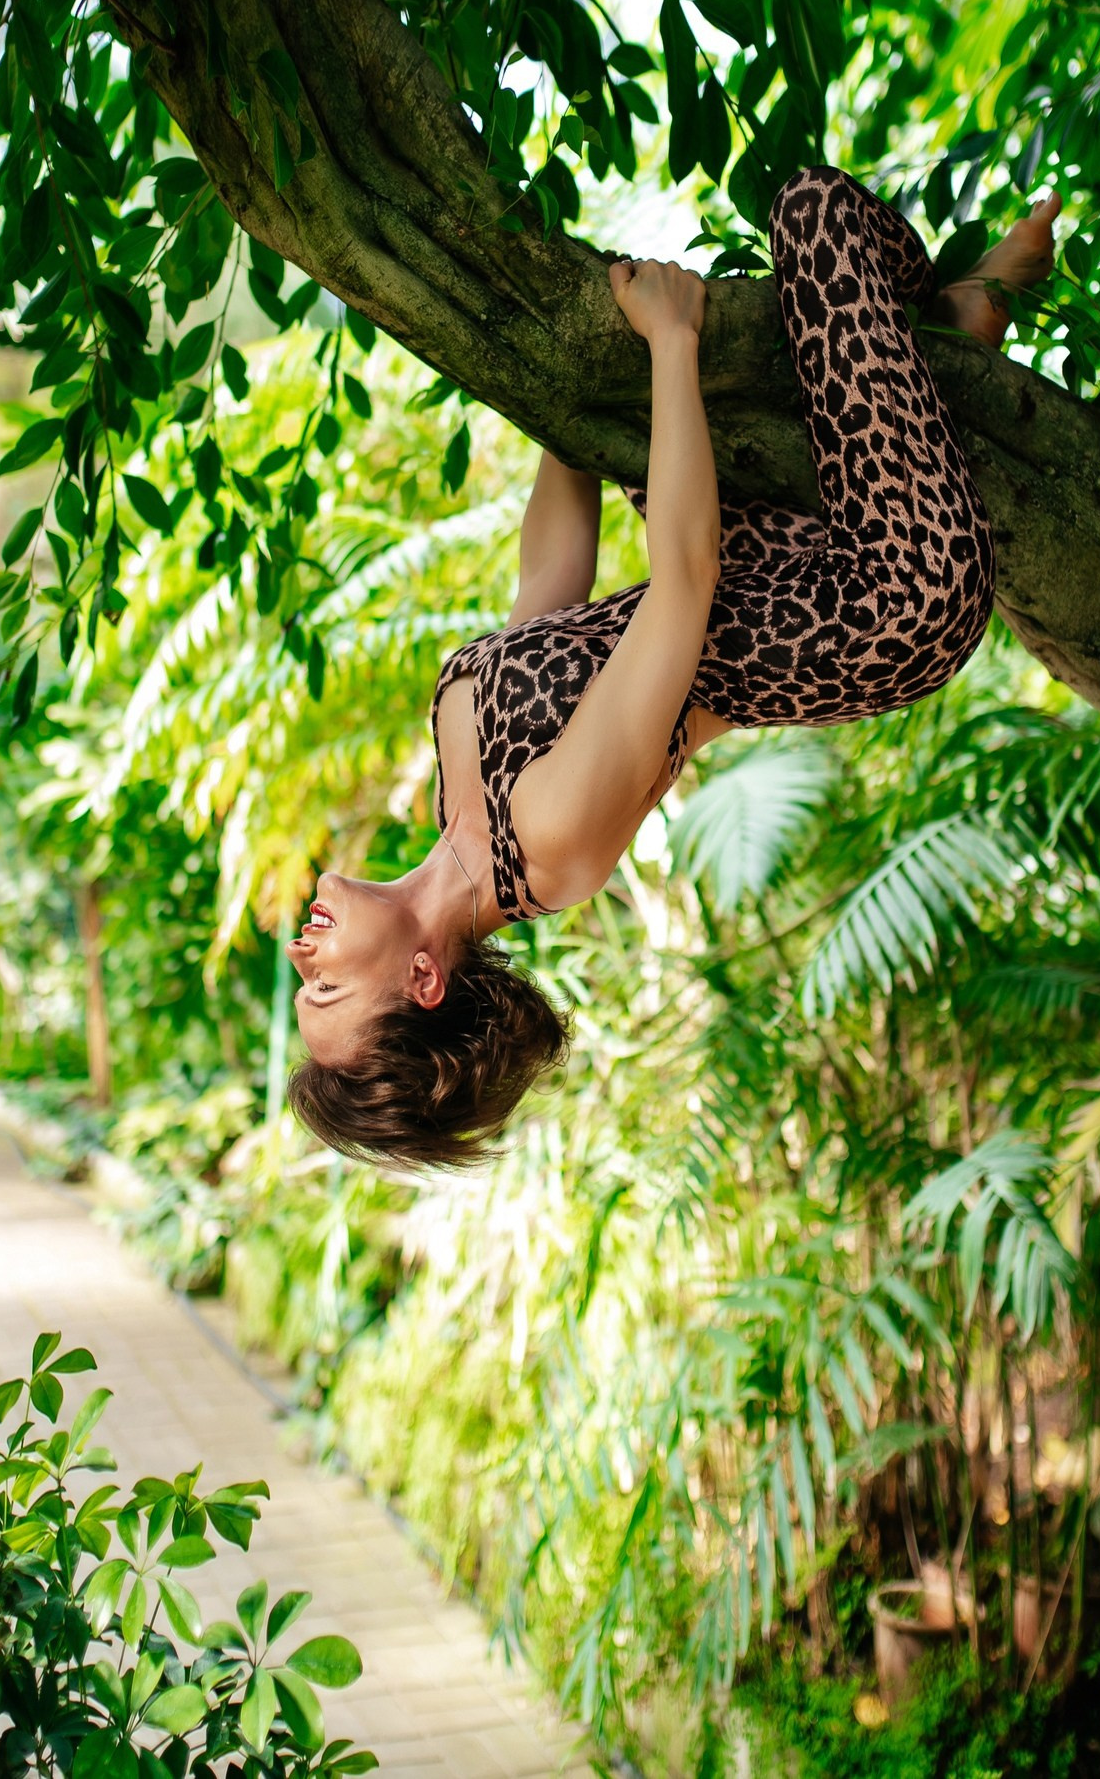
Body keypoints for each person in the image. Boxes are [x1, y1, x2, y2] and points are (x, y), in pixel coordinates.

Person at [287, 166, 1061, 1167]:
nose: (303, 953)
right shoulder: (553, 845)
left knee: (640, 421)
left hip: (763, 553)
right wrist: (671, 337)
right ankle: (959, 320)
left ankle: (947, 345)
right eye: (326, 985)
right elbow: (682, 583)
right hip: (878, 598)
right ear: (425, 981)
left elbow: (550, 581)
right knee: (810, 213)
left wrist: (563, 393)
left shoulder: (461, 799)